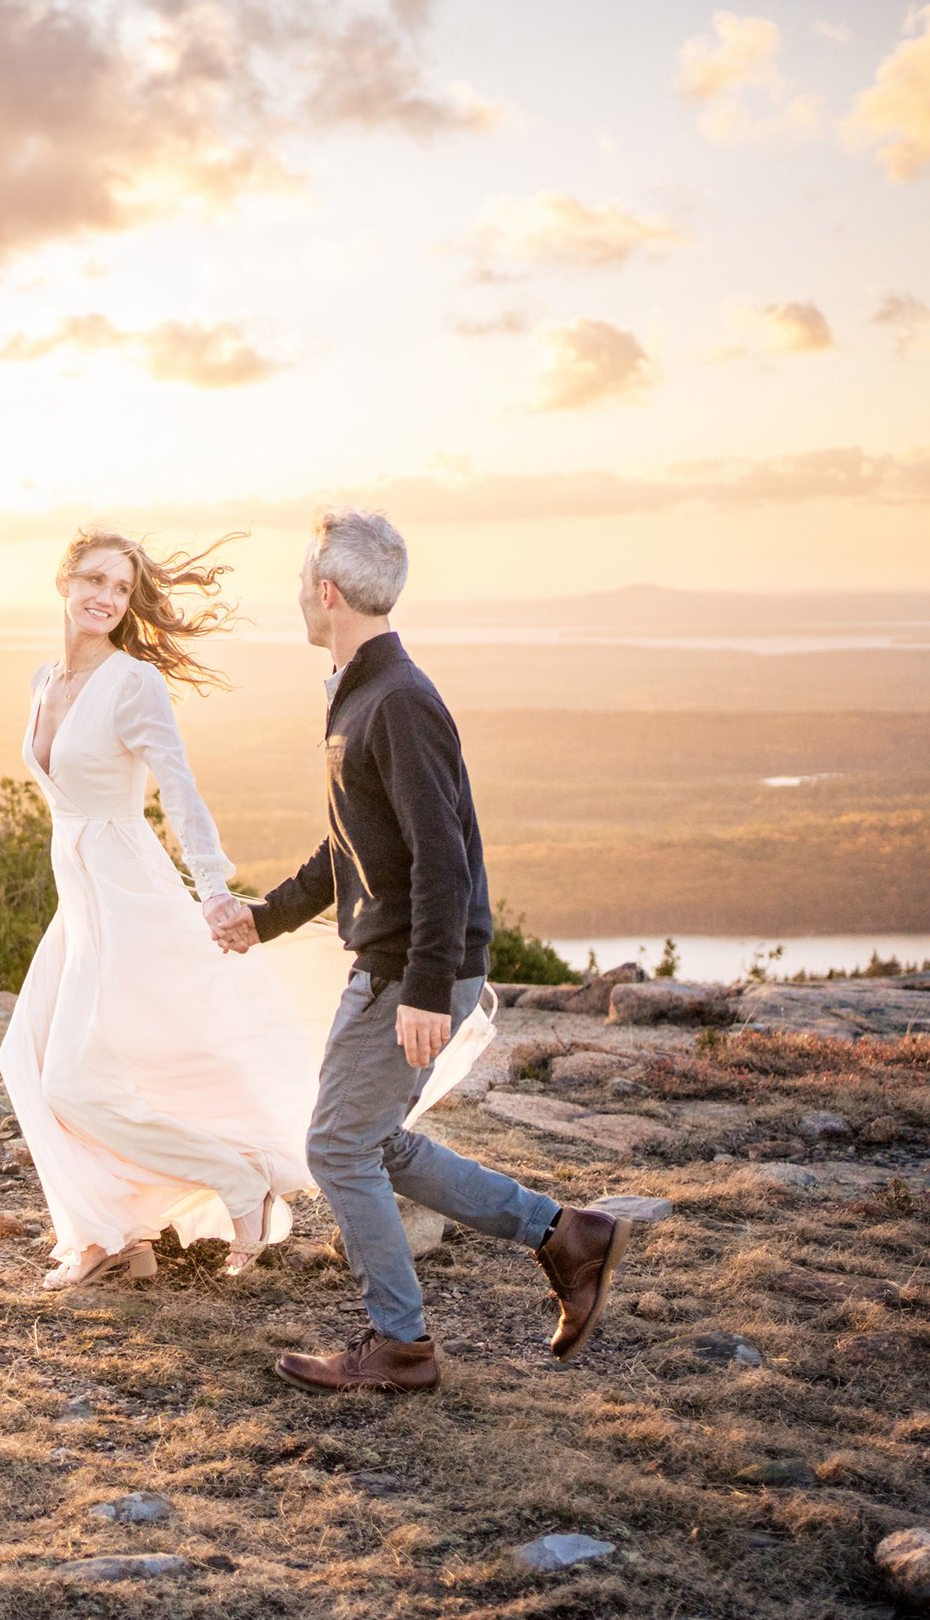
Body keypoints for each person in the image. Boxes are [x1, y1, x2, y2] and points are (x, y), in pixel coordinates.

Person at [213, 507, 632, 1392]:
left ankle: (400, 1344)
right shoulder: (361, 690)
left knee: (336, 1147)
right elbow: (357, 845)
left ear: (326, 592)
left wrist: (426, 989)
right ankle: (569, 1236)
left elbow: (440, 856)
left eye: (301, 581)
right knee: (372, 1140)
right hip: (399, 959)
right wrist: (267, 917)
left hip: (410, 966)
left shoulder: (396, 699)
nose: (298, 595)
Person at [0, 528, 318, 1291]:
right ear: (63, 580)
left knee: (74, 1079)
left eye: (122, 588)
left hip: (126, 894)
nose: (107, 597)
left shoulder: (131, 683)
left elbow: (178, 786)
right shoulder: (46, 679)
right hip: (78, 896)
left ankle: (238, 1180)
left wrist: (212, 886)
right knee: (30, 1056)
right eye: (96, 580)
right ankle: (108, 1229)